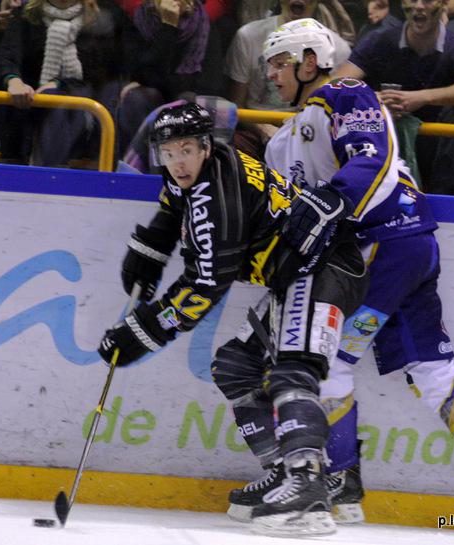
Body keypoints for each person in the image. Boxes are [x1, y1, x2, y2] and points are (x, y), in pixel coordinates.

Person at [223, 17, 454, 525]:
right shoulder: (282, 140)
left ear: (311, 61)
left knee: (329, 362)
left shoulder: (345, 94)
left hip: (383, 245)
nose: (270, 74)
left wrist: (328, 202)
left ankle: (341, 484)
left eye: (279, 63)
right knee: (431, 369)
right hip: (402, 249)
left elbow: (369, 157)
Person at [99, 102, 369, 536]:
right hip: (296, 274)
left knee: (293, 371)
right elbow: (173, 207)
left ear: (206, 146)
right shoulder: (199, 171)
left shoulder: (217, 198)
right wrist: (149, 250)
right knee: (236, 366)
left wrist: (143, 331)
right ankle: (283, 472)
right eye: (168, 153)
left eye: (186, 150)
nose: (177, 162)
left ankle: (308, 485)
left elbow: (207, 283)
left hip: (324, 270)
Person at [333, 0, 454, 195]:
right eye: (412, 0)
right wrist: (374, 100)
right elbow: (334, 86)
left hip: (436, 149)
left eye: (427, 0)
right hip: (385, 144)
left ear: (442, 4)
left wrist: (421, 98)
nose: (419, 6)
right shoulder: (380, 40)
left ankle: (443, 197)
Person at [0, 0, 138, 166]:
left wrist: (60, 83)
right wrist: (13, 81)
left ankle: (53, 171)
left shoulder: (102, 13)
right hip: (32, 96)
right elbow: (7, 55)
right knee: (25, 98)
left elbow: (102, 67)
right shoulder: (27, 13)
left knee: (58, 98)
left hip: (86, 94)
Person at [224, 0, 352, 111]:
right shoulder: (249, 36)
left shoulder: (338, 48)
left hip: (307, 125)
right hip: (254, 122)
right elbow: (237, 105)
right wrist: (262, 127)